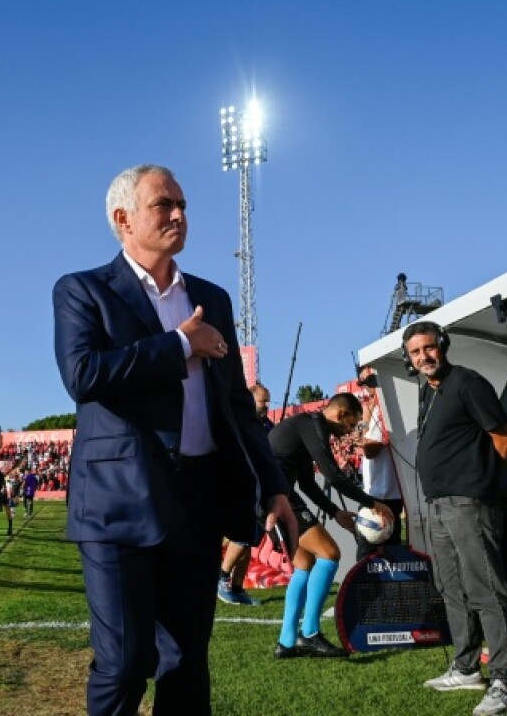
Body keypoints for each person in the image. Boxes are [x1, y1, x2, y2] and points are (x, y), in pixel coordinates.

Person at [52, 163, 297, 716]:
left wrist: (273, 488)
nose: (180, 214)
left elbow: (236, 404)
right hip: (117, 504)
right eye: (164, 204)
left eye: (182, 204)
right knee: (124, 662)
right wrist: (181, 345)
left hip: (198, 500)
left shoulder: (212, 298)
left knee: (186, 663)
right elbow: (84, 374)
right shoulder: (83, 290)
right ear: (123, 219)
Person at [404, 321, 507, 715]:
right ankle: (467, 667)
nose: (424, 357)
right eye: (416, 352)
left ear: (443, 345)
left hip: (470, 503)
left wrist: (489, 486)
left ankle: (504, 683)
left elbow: (505, 438)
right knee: (451, 588)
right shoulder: (429, 390)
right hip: (439, 504)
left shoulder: (468, 383)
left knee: (486, 589)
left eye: (429, 348)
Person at [268, 393, 395, 659]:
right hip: (273, 497)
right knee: (329, 553)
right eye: (351, 424)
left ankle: (286, 642)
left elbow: (307, 483)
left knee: (304, 564)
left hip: (271, 495)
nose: (350, 431)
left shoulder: (306, 426)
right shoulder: (314, 425)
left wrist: (335, 512)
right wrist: (370, 502)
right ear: (341, 414)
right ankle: (310, 633)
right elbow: (333, 476)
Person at [217, 382, 273, 606]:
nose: (266, 406)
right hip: (242, 487)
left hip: (261, 488)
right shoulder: (237, 420)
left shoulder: (266, 425)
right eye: (262, 401)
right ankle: (222, 578)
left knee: (250, 539)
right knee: (242, 537)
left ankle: (237, 588)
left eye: (268, 402)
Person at [354, 366, 407, 560]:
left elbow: (370, 450)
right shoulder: (386, 406)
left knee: (368, 553)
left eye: (369, 382)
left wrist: (365, 421)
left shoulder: (380, 410)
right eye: (362, 383)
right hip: (387, 490)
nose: (366, 388)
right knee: (390, 549)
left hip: (380, 493)